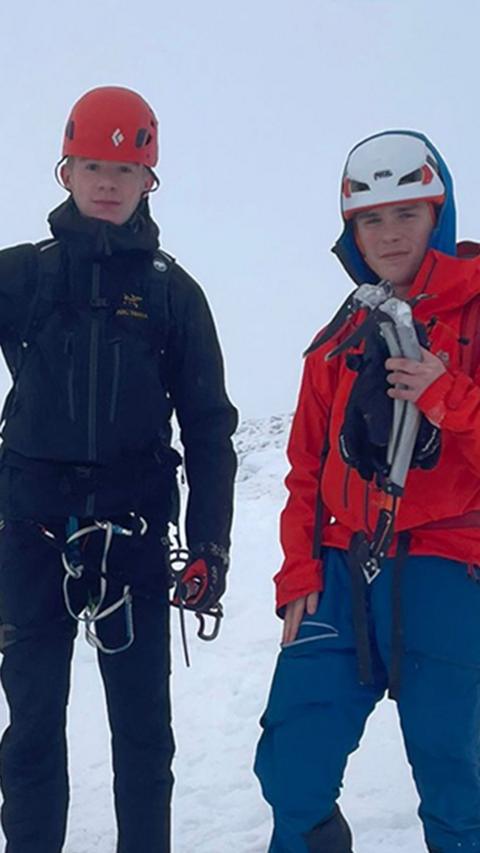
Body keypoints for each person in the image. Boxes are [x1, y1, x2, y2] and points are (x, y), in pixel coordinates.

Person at [0, 86, 237, 853]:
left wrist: (210, 545)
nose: (107, 181)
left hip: (133, 539)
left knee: (143, 735)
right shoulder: (20, 277)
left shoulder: (172, 292)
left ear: (149, 180)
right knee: (31, 730)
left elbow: (208, 429)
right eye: (93, 165)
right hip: (31, 537)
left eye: (125, 167)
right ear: (65, 171)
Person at [254, 130, 480, 852]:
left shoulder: (474, 313)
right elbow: (303, 470)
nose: (388, 233)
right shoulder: (337, 338)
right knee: (291, 765)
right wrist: (297, 571)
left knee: (458, 779)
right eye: (371, 219)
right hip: (342, 569)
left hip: (451, 564)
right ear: (352, 229)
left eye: (406, 213)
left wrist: (449, 395)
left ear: (437, 214)